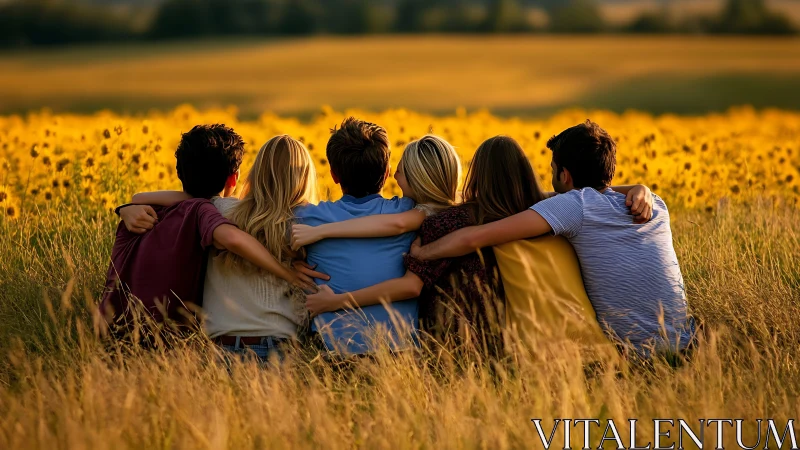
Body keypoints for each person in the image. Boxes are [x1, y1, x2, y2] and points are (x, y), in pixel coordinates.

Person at [292, 135, 654, 356]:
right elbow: (578, 197)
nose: (395, 176)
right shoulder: (539, 212)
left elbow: (412, 277)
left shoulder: (439, 224)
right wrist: (636, 188)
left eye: (401, 170)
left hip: (456, 347)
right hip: (545, 341)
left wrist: (317, 246)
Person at [409, 121, 694, 356]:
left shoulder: (574, 207)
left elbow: (476, 237)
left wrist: (423, 254)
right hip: (684, 342)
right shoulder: (654, 204)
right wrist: (639, 186)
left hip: (636, 353)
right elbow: (580, 196)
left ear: (565, 175)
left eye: (552, 169)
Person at [119, 135, 326, 361]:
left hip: (219, 348)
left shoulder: (221, 209)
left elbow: (145, 197)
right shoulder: (308, 225)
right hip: (277, 346)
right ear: (305, 178)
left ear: (256, 174)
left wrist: (127, 207)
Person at [292, 117, 420, 355]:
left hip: (336, 356)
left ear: (333, 175)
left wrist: (288, 264)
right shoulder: (410, 211)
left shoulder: (307, 218)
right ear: (387, 172)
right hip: (401, 353)